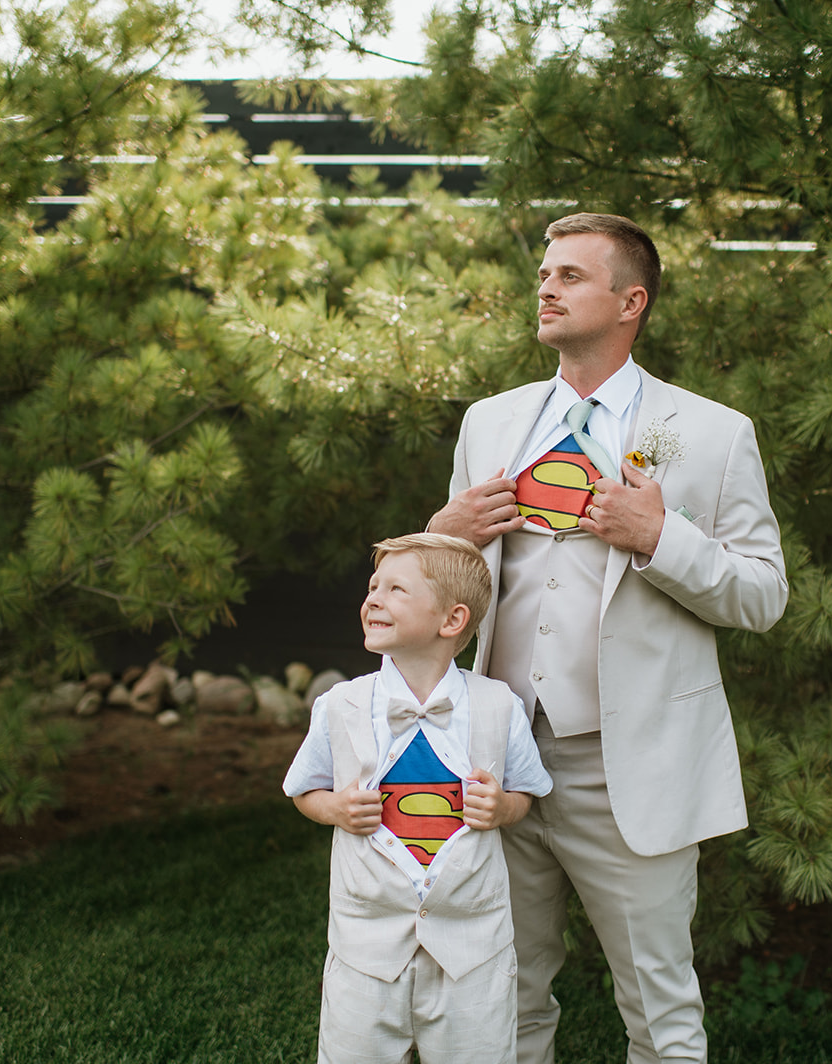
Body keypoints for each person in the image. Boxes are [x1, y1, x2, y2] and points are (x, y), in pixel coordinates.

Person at [427, 212, 788, 1064]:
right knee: (498, 993)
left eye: (570, 276)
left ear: (632, 301)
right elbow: (446, 589)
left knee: (659, 1011)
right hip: (495, 753)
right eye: (545, 274)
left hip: (628, 762)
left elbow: (765, 596)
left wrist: (661, 540)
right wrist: (446, 530)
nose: (545, 288)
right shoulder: (491, 421)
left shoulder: (712, 432)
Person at [283, 532, 554, 1064]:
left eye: (396, 589)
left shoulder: (498, 705)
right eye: (372, 586)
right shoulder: (341, 705)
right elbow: (304, 790)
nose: (374, 598)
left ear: (451, 621)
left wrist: (502, 808)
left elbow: (525, 791)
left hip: (471, 950)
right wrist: (334, 807)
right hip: (366, 946)